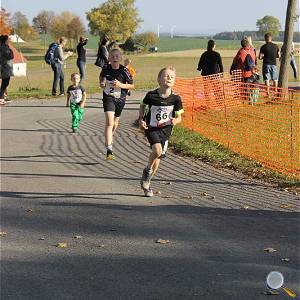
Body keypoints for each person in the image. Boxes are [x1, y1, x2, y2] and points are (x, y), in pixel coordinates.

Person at [139, 66, 184, 197]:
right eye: (166, 75)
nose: (169, 78)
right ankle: (147, 170)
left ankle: (147, 182)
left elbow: (179, 117)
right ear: (159, 79)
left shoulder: (176, 99)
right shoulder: (151, 95)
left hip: (166, 131)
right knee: (157, 151)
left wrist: (175, 121)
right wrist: (141, 119)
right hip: (152, 128)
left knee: (157, 159)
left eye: (172, 76)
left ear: (174, 81)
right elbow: (142, 105)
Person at [99, 48, 134, 160]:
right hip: (108, 97)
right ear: (109, 58)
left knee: (115, 123)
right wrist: (102, 82)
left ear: (120, 59)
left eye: (117, 56)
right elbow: (101, 77)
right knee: (109, 122)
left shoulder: (124, 71)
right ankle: (109, 149)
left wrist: (121, 85)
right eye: (112, 56)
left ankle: (110, 135)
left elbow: (132, 85)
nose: (115, 58)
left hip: (120, 99)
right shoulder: (105, 68)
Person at [0, 35, 14, 105]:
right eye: (8, 40)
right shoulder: (4, 48)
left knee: (5, 83)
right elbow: (10, 56)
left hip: (6, 67)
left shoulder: (4, 47)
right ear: (5, 41)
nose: (9, 41)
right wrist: (11, 50)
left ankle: (3, 97)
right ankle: (1, 98)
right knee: (5, 83)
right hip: (5, 67)